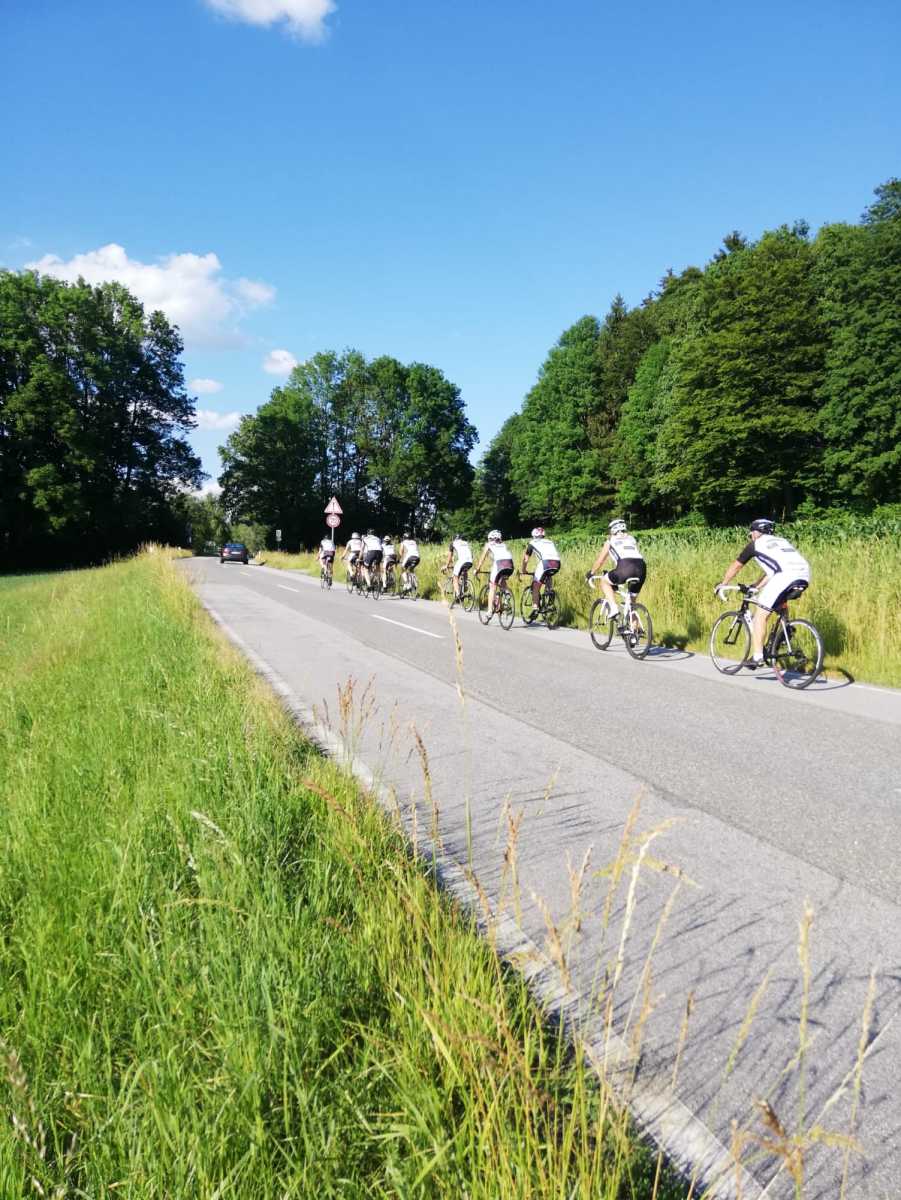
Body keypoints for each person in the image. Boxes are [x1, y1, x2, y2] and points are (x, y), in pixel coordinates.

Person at [715, 519, 811, 667]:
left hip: (785, 576)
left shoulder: (756, 544)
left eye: (751, 534)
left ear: (755, 532)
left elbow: (736, 566)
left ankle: (757, 656)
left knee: (760, 615)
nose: (751, 537)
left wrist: (724, 583)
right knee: (779, 601)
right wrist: (756, 586)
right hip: (804, 575)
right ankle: (785, 631)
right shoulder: (782, 541)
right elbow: (773, 571)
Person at [585, 519, 646, 627]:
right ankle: (635, 631)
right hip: (641, 568)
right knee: (632, 604)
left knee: (604, 581)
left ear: (613, 530)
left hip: (625, 567)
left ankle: (614, 608)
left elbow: (600, 561)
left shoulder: (610, 541)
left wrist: (591, 573)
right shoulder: (631, 539)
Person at [520, 525, 561, 619]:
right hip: (557, 563)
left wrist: (523, 570)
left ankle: (535, 608)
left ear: (534, 536)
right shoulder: (550, 542)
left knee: (536, 585)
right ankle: (549, 593)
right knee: (548, 575)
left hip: (545, 563)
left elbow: (526, 558)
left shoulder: (532, 542)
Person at [473, 529, 515, 621]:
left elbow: (482, 558)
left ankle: (489, 611)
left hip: (499, 564)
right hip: (510, 565)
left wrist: (477, 569)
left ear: (490, 538)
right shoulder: (504, 544)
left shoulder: (488, 544)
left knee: (492, 587)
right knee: (501, 579)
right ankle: (506, 594)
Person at [443, 533, 474, 605]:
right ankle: (465, 585)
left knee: (455, 577)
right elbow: (471, 554)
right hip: (470, 561)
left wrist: (446, 565)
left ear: (454, 539)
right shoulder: (466, 543)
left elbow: (450, 556)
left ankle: (458, 594)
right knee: (464, 571)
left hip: (462, 561)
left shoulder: (453, 543)